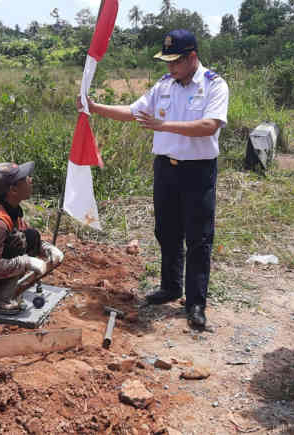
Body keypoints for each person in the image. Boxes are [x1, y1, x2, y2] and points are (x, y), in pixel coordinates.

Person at [78, 29, 228, 330]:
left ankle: (196, 303)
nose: (170, 68)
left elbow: (209, 125)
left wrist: (163, 125)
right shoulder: (163, 85)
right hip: (166, 170)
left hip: (198, 171)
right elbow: (133, 112)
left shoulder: (214, 84)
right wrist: (94, 108)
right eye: (167, 62)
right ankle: (171, 286)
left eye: (175, 62)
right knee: (167, 230)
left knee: (198, 238)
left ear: (192, 58)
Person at [0, 161, 64, 315]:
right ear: (13, 190)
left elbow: (27, 234)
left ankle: (4, 289)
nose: (30, 180)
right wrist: (26, 262)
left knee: (30, 236)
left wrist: (47, 249)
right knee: (17, 242)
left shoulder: (9, 209)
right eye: (25, 178)